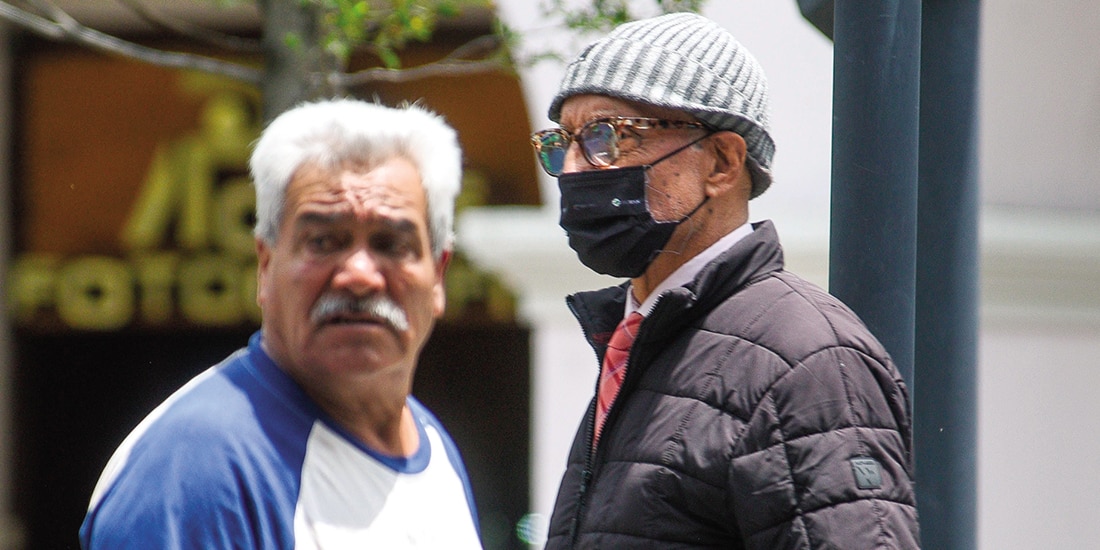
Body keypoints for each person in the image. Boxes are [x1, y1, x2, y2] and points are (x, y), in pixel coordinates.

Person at [530, 12, 920, 548]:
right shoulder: (641, 340)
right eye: (563, 143)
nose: (574, 169)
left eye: (608, 137)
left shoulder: (808, 359)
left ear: (721, 162)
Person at [80, 99, 482, 548]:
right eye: (324, 240)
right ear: (265, 267)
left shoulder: (434, 449)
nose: (359, 276)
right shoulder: (198, 468)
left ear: (439, 277)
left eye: (391, 243)